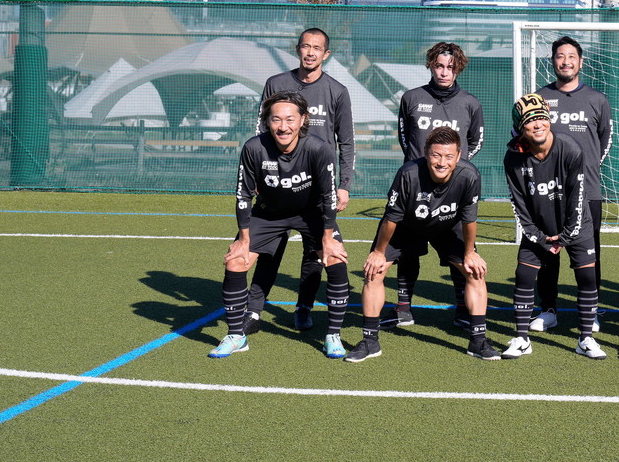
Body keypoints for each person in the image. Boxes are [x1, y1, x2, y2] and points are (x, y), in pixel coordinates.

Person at [210, 91, 348, 359]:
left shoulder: (319, 149)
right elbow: (243, 195)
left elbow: (329, 197)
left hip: (311, 213)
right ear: (267, 121)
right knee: (235, 261)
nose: (283, 127)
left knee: (335, 259)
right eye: (276, 120)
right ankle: (236, 336)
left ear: (303, 120)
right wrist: (243, 240)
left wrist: (328, 238)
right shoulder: (254, 148)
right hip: (269, 214)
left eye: (289, 119)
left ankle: (333, 335)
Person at [345, 127, 498, 362]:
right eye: (436, 155)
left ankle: (478, 341)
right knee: (374, 272)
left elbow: (469, 220)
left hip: (448, 226)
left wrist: (469, 253)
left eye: (449, 156)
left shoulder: (469, 175)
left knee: (475, 272)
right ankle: (370, 341)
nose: (442, 162)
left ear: (458, 155)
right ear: (426, 153)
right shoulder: (408, 174)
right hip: (407, 225)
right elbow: (391, 219)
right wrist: (378, 252)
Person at [255, 28, 355, 333]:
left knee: (316, 251)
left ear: (326, 54)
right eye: (306, 46)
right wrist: (260, 174)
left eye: (317, 48)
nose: (310, 52)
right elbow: (261, 131)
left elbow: (346, 142)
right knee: (270, 249)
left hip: (317, 188)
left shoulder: (337, 91)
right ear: (297, 49)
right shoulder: (276, 84)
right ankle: (254, 311)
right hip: (277, 183)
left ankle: (304, 308)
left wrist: (344, 185)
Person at [502, 93, 605, 359]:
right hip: (539, 227)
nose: (537, 124)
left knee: (587, 278)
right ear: (520, 127)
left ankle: (585, 339)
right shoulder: (513, 158)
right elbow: (519, 204)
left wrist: (565, 236)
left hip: (576, 225)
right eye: (529, 120)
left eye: (541, 117)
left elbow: (578, 197)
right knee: (524, 275)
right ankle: (522, 339)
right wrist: (538, 237)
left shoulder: (570, 148)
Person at [396, 41, 485, 330]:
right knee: (407, 251)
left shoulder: (470, 103)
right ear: (431, 66)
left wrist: (453, 169)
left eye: (450, 67)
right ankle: (403, 307)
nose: (444, 72)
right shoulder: (411, 98)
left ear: (458, 69)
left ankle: (462, 308)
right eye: (439, 66)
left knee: (459, 252)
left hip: (452, 192)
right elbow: (405, 138)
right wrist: (420, 169)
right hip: (415, 191)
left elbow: (475, 142)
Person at [529, 36, 614, 336]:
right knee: (547, 251)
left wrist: (583, 168)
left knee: (589, 256)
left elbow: (603, 142)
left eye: (571, 56)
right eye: (560, 56)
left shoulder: (597, 99)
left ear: (581, 62)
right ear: (552, 61)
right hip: (547, 193)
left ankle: (590, 311)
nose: (565, 61)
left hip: (587, 191)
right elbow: (525, 137)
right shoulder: (538, 99)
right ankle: (548, 309)